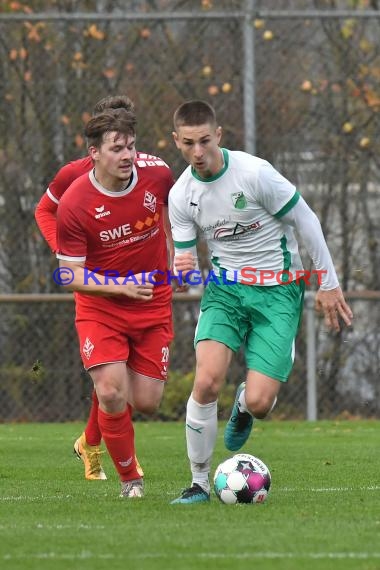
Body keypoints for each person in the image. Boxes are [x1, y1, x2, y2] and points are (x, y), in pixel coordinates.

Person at [168, 100, 353, 504]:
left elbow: (306, 220)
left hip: (278, 292)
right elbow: (184, 261)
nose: (197, 152)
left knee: (260, 402)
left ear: (218, 135)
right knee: (206, 381)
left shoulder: (254, 174)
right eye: (188, 144)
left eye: (204, 141)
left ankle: (244, 403)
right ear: (176, 142)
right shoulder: (181, 194)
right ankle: (198, 483)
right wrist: (181, 270)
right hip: (225, 291)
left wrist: (328, 283)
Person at [35, 95, 173, 482]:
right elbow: (46, 213)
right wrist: (69, 255)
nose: (128, 153)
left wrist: (178, 258)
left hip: (148, 294)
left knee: (141, 398)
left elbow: (173, 212)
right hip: (100, 291)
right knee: (112, 387)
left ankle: (91, 439)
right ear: (95, 151)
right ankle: (128, 477)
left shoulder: (155, 172)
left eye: (131, 144)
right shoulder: (74, 181)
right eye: (117, 147)